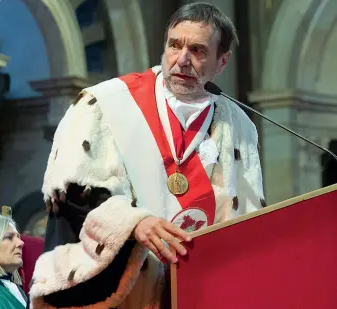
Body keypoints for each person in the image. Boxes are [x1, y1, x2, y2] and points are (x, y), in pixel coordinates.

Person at [30, 2, 265, 308]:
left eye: (197, 50)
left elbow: (247, 221)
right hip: (121, 291)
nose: (182, 60)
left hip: (201, 289)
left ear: (222, 61)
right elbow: (72, 191)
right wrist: (132, 223)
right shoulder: (106, 105)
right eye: (174, 45)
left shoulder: (239, 127)